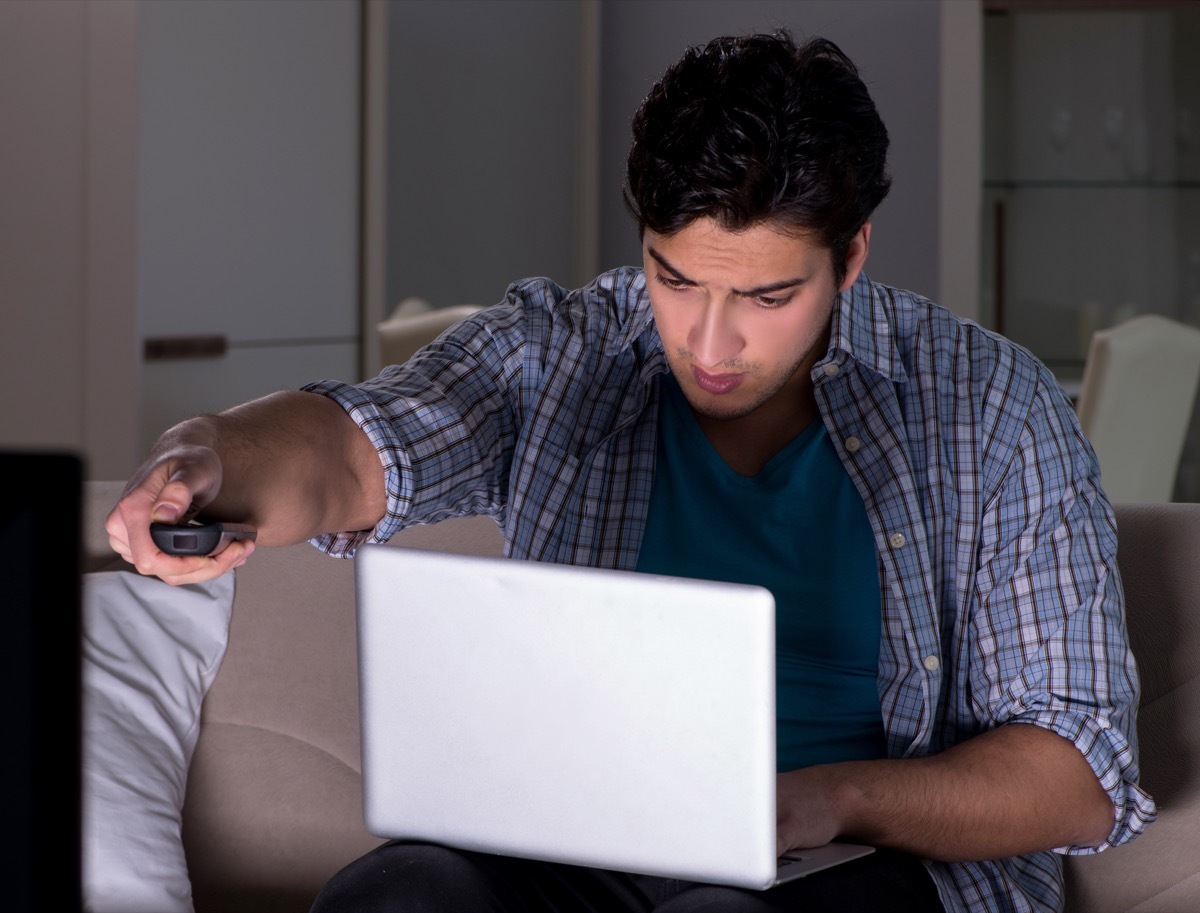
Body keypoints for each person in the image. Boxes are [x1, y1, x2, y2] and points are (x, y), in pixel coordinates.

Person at [107, 31, 1155, 913]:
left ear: (853, 255)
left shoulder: (990, 402)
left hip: (868, 862)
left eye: (766, 298)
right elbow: (354, 446)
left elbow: (1077, 777)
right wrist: (207, 457)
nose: (710, 342)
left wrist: (817, 799)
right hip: (585, 843)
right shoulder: (562, 350)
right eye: (674, 278)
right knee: (400, 893)